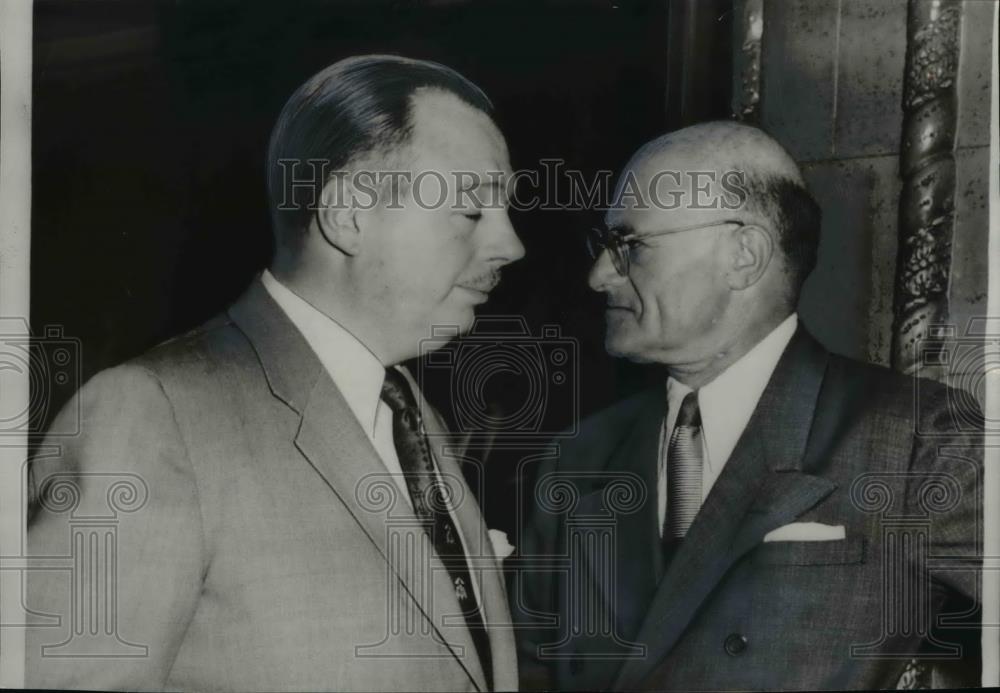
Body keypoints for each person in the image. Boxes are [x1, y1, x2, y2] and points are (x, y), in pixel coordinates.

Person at [27, 55, 524, 692]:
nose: (511, 244)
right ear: (350, 213)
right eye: (472, 209)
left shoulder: (410, 414)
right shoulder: (152, 415)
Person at [514, 121, 982, 691]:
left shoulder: (916, 440)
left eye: (630, 246)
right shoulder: (578, 456)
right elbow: (526, 670)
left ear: (744, 255)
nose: (598, 275)